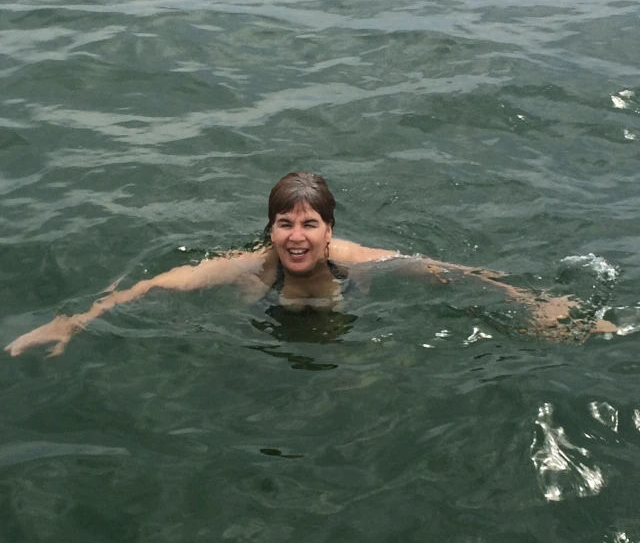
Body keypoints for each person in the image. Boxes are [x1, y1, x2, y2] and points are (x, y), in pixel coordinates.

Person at [4, 171, 618, 357]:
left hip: (344, 320)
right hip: (268, 322)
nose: (296, 237)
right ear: (270, 229)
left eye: (309, 224)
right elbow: (156, 283)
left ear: (330, 232)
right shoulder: (250, 265)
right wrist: (74, 322)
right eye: (284, 223)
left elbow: (449, 271)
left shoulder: (360, 262)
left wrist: (535, 302)